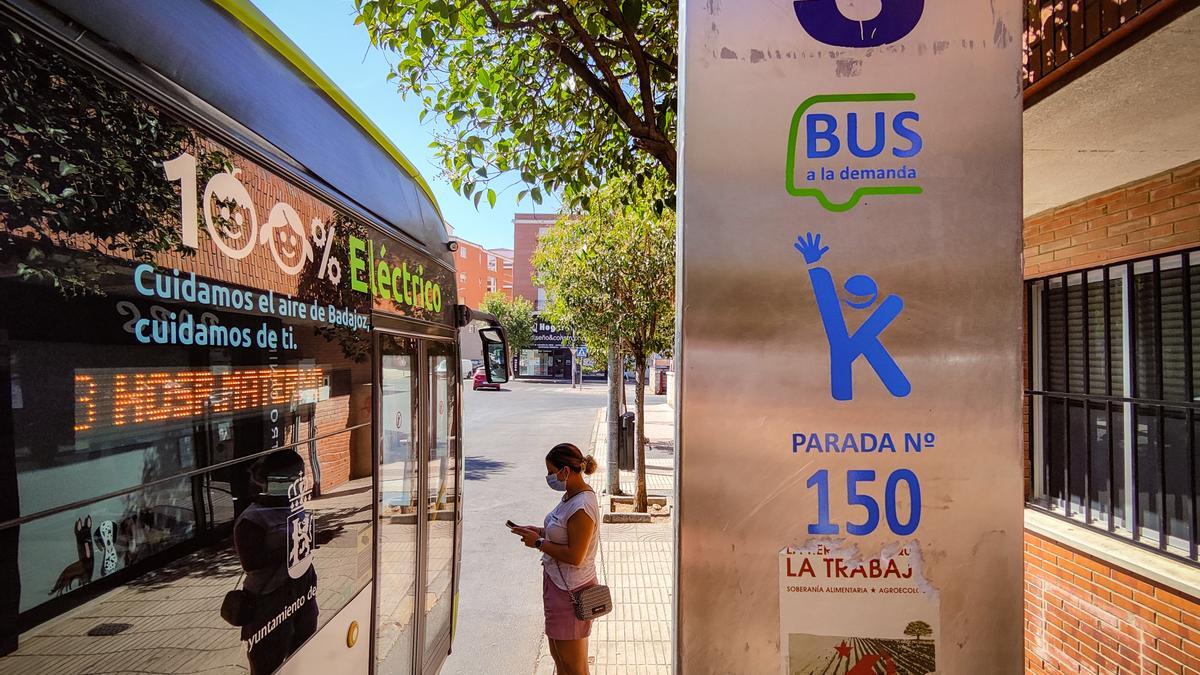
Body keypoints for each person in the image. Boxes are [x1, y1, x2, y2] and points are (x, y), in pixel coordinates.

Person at [511, 443, 600, 675]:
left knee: (574, 667)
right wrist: (539, 531)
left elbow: (575, 556)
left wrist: (539, 544)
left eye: (551, 472)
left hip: (571, 591)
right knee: (562, 661)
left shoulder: (582, 506)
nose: (549, 477)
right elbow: (563, 532)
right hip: (559, 588)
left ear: (566, 472)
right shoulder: (571, 496)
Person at [234, 450, 319, 675]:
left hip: (302, 592)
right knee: (268, 665)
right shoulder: (252, 518)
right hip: (268, 602)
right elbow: (251, 563)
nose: (301, 480)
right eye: (296, 475)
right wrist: (293, 549)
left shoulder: (291, 505)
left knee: (302, 655)